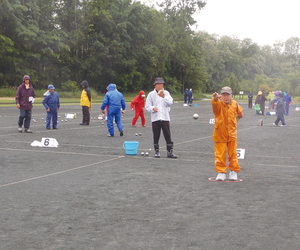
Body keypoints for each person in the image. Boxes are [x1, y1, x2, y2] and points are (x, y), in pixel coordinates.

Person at [211, 86, 243, 181]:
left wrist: (239, 116)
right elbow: (215, 107)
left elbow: (240, 112)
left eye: (227, 95)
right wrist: (215, 99)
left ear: (231, 95)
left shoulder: (234, 104)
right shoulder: (218, 104)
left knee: (233, 153)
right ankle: (221, 172)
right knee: (220, 154)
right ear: (221, 95)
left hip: (232, 133)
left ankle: (233, 171)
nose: (225, 97)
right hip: (220, 133)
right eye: (223, 95)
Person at [145, 77, 177, 158]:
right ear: (155, 86)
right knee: (156, 135)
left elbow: (170, 102)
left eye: (161, 84)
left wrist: (164, 97)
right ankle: (156, 151)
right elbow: (147, 105)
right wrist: (153, 108)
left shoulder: (166, 93)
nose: (160, 86)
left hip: (165, 117)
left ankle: (170, 152)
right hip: (155, 118)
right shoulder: (151, 94)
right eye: (158, 84)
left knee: (168, 135)